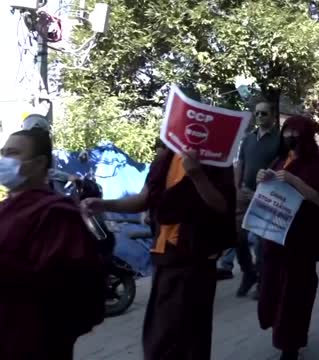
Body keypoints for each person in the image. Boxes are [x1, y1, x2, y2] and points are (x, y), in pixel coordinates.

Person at [83, 144, 236, 359]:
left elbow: (222, 205)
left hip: (195, 260)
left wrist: (197, 175)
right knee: (160, 336)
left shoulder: (214, 159)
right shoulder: (164, 159)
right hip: (164, 257)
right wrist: (104, 204)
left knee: (190, 339)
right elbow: (143, 199)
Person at [0, 129, 105, 359]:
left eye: (13, 153)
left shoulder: (57, 214)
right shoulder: (5, 209)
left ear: (39, 163)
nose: (3, 160)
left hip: (34, 340)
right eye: (3, 152)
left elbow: (62, 285)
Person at [257, 116, 319, 360]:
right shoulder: (279, 160)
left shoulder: (315, 166)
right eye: (286, 131)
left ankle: (290, 346)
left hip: (300, 241)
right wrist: (261, 178)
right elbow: (267, 192)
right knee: (272, 289)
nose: (290, 136)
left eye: (295, 131)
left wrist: (295, 181)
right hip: (274, 237)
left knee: (295, 294)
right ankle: (280, 333)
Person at [219, 100, 281, 297]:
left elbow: (282, 168)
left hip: (265, 196)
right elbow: (240, 163)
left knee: (262, 242)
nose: (260, 117)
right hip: (244, 193)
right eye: (257, 114)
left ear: (272, 116)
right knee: (237, 237)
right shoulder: (248, 139)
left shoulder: (279, 141)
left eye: (264, 113)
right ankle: (249, 273)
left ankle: (263, 281)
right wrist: (236, 187)